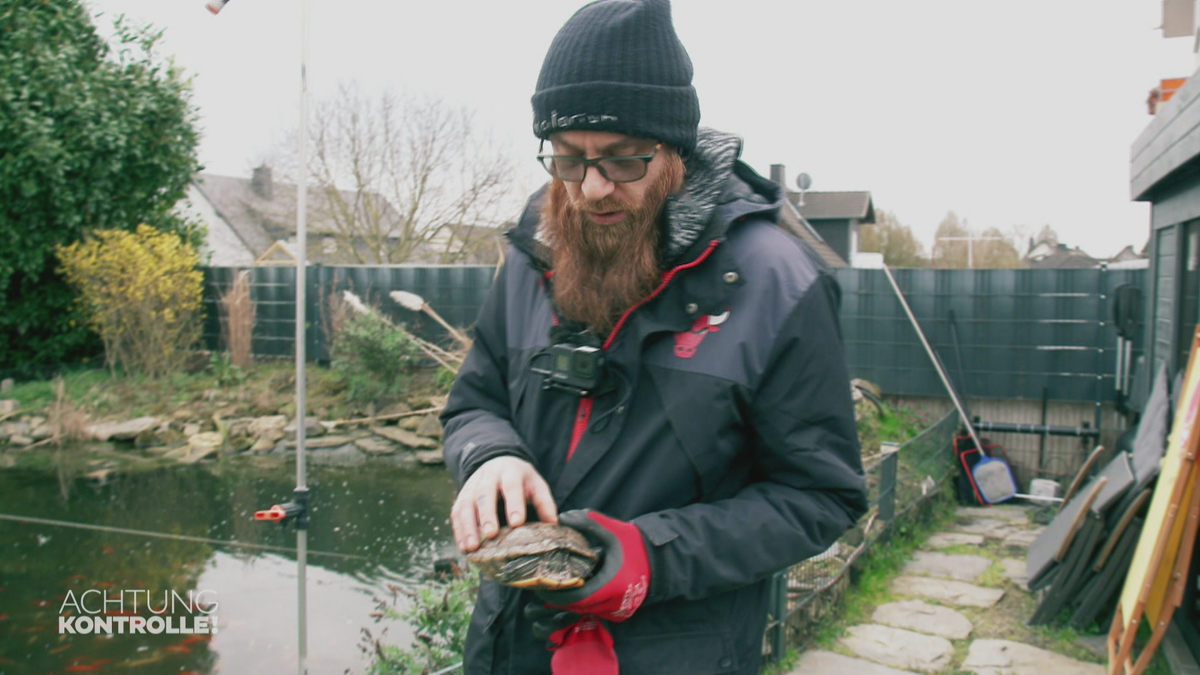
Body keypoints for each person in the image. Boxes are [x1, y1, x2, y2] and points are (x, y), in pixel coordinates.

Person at [440, 0, 867, 672]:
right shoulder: (535, 247)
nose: (591, 189)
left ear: (675, 152)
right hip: (510, 648)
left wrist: (650, 556)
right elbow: (475, 400)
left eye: (624, 160)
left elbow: (821, 496)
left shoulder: (775, 282)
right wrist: (489, 453)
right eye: (568, 159)